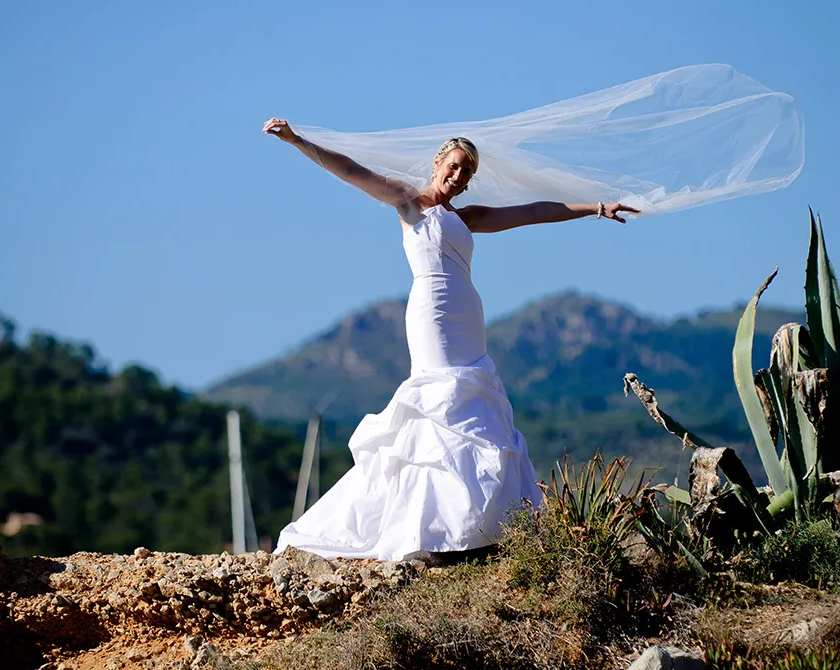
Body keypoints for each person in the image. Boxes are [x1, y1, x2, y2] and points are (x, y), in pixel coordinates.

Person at [264, 117, 639, 561]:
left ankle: (476, 528)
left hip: (468, 314)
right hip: (432, 312)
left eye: (467, 173)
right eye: (455, 166)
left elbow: (534, 212)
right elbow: (350, 170)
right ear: (438, 162)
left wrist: (595, 207)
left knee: (476, 405)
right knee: (441, 401)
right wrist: (297, 141)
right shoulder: (408, 202)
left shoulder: (468, 218)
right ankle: (429, 533)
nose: (458, 176)